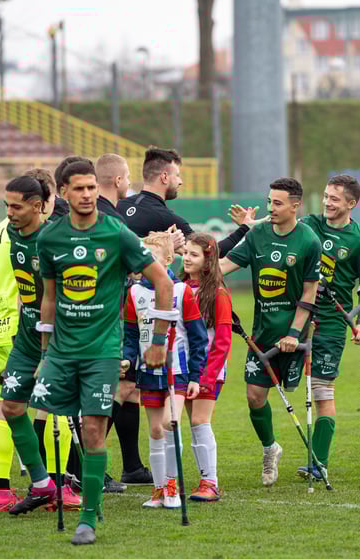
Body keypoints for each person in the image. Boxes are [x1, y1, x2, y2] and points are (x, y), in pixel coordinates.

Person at [32, 162, 174, 545]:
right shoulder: (49, 239)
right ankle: (42, 485)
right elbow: (48, 297)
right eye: (79, 188)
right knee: (39, 416)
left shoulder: (117, 234)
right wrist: (45, 353)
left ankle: (89, 517)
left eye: (92, 187)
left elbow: (162, 282)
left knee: (94, 431)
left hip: (103, 351)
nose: (87, 195)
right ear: (63, 191)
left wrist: (157, 342)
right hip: (61, 351)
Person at [219, 177, 321, 487]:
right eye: (269, 201)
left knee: (292, 392)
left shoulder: (308, 242)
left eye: (277, 203)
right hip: (260, 335)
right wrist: (195, 266)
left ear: (295, 205)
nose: (270, 208)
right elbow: (224, 266)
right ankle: (270, 449)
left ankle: (318, 457)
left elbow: (309, 294)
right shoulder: (258, 234)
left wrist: (293, 332)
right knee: (254, 396)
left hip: (293, 338)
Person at [0, 168, 68, 512]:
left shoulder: (51, 239)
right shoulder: (14, 235)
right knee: (16, 408)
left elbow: (56, 298)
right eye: (6, 205)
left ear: (36, 205)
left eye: (15, 206)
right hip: (21, 330)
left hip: (46, 334)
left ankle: (65, 488)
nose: (9, 212)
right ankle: (48, 484)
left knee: (56, 410)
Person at [297, 175, 360, 479]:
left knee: (321, 388)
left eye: (334, 198)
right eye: (326, 196)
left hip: (331, 321)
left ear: (350, 204)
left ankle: (318, 462)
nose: (327, 202)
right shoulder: (309, 225)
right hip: (297, 316)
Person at [124, 232, 207, 508]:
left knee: (170, 424)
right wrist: (127, 359)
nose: (146, 263)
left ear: (169, 259)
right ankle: (159, 490)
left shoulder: (181, 291)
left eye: (153, 257)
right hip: (148, 372)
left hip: (178, 371)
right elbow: (130, 333)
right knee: (155, 431)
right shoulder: (134, 293)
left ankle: (173, 486)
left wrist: (196, 375)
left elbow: (197, 337)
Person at [94, 153, 153, 487]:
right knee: (109, 389)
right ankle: (89, 467)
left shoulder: (107, 214)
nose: (129, 182)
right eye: (127, 176)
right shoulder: (108, 216)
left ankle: (131, 466)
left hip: (115, 313)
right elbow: (125, 265)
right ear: (117, 180)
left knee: (128, 389)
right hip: (105, 317)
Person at [117, 146, 259, 257]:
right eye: (177, 175)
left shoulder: (117, 206)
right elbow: (210, 252)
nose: (181, 181)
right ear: (164, 177)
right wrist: (244, 228)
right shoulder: (168, 219)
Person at [181, 232, 232, 501]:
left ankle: (210, 483)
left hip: (206, 371)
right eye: (185, 253)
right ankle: (200, 479)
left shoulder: (218, 293)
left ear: (208, 260)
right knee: (192, 423)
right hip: (183, 369)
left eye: (194, 254)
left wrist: (208, 376)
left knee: (201, 421)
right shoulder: (179, 287)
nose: (187, 258)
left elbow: (222, 341)